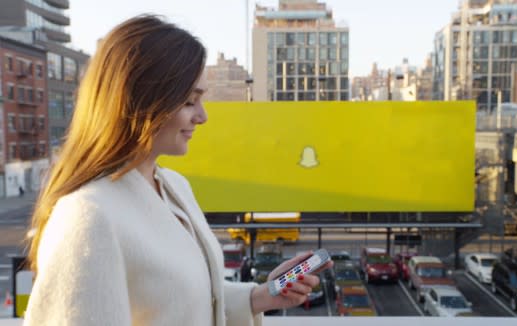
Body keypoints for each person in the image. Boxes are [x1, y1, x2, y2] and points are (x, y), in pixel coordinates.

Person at [24, 15, 330, 326]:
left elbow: (181, 300)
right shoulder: (87, 217)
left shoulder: (173, 186)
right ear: (142, 103)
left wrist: (260, 297)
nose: (203, 116)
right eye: (189, 102)